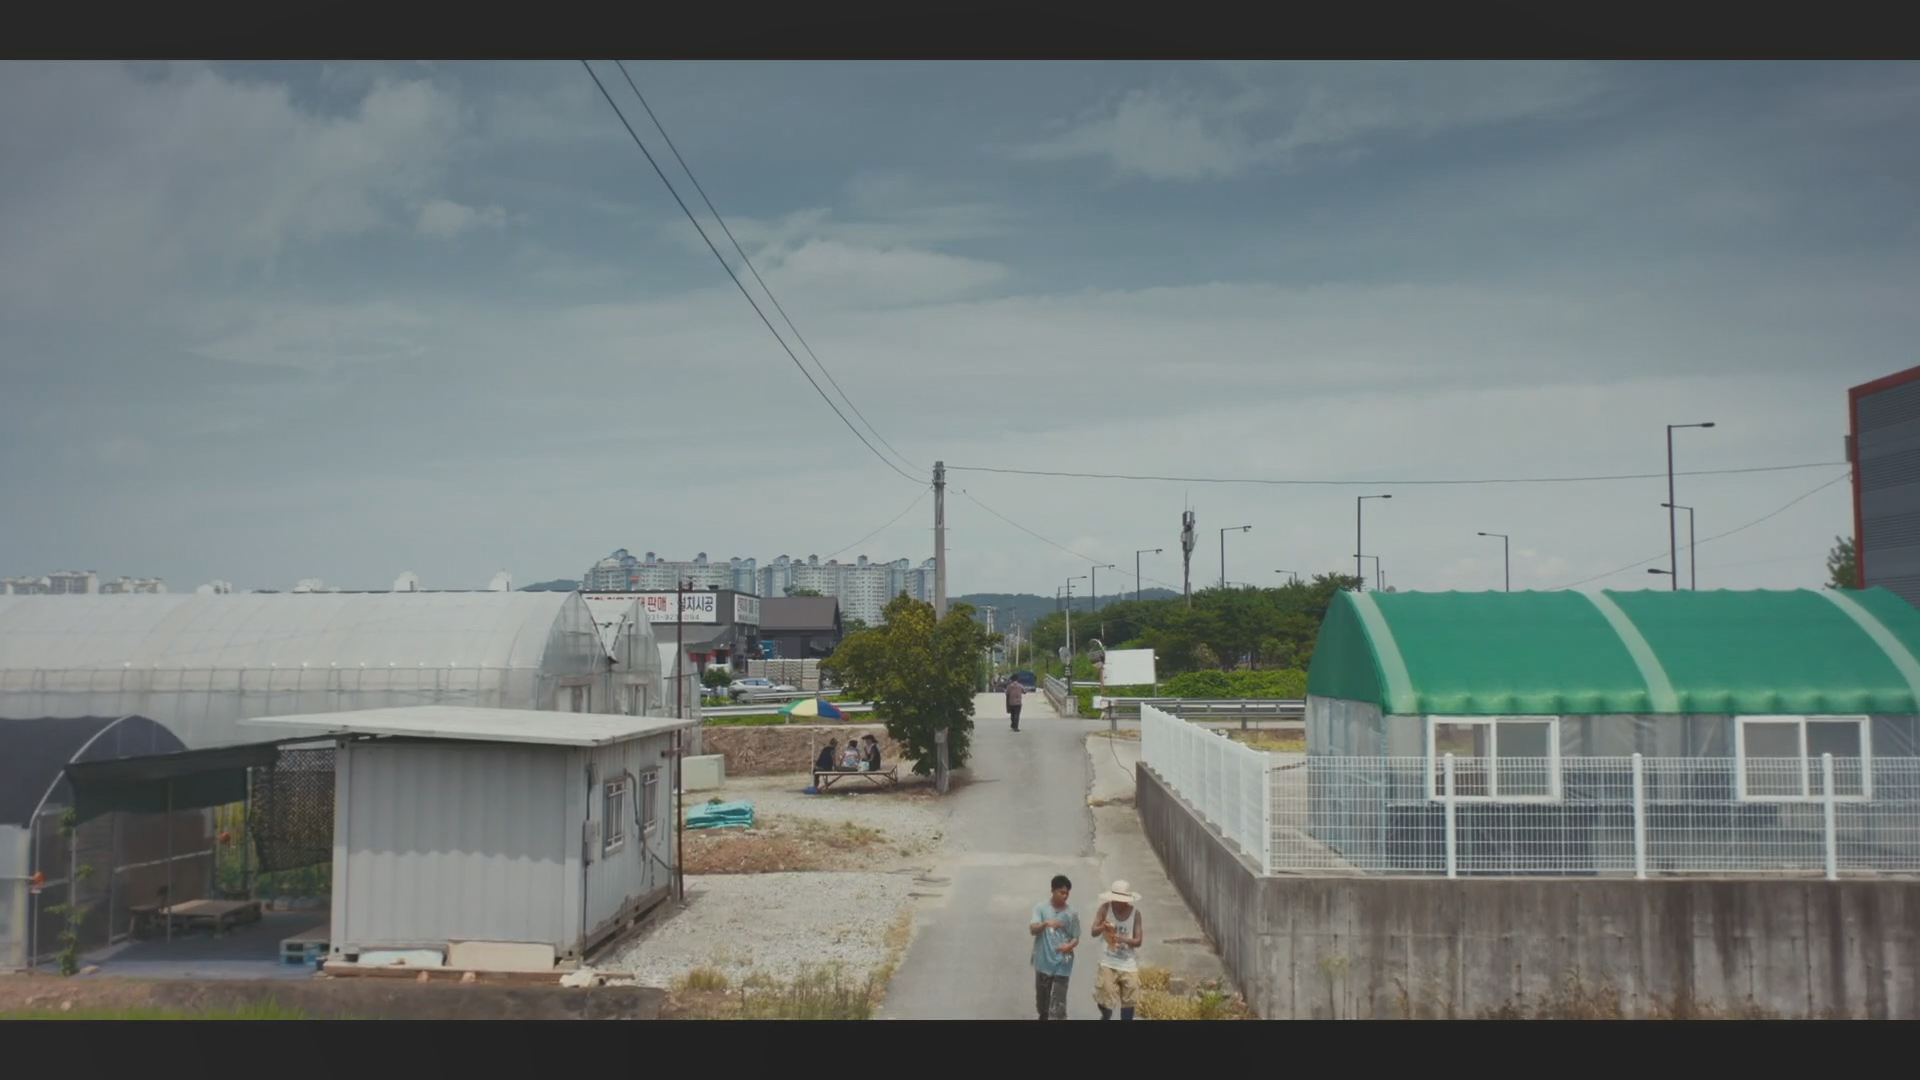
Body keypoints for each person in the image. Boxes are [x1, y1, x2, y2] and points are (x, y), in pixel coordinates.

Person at [1089, 880, 1144, 1020]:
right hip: (1108, 961)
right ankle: (1105, 1014)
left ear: (1127, 901)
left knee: (1130, 998)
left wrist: (1123, 939)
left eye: (1121, 901)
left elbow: (1138, 941)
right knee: (1105, 996)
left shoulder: (1135, 914)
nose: (1118, 904)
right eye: (1116, 900)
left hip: (1128, 963)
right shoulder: (1105, 909)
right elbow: (1093, 931)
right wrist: (1103, 927)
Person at [1029, 874, 1080, 1020]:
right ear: (1053, 890)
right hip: (1043, 961)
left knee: (1058, 1004)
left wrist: (1068, 947)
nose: (1065, 896)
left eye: (1067, 893)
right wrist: (1045, 924)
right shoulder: (1041, 908)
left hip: (1063, 963)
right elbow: (1033, 929)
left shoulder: (1072, 914)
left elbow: (1076, 937)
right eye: (1061, 892)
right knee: (1043, 1005)